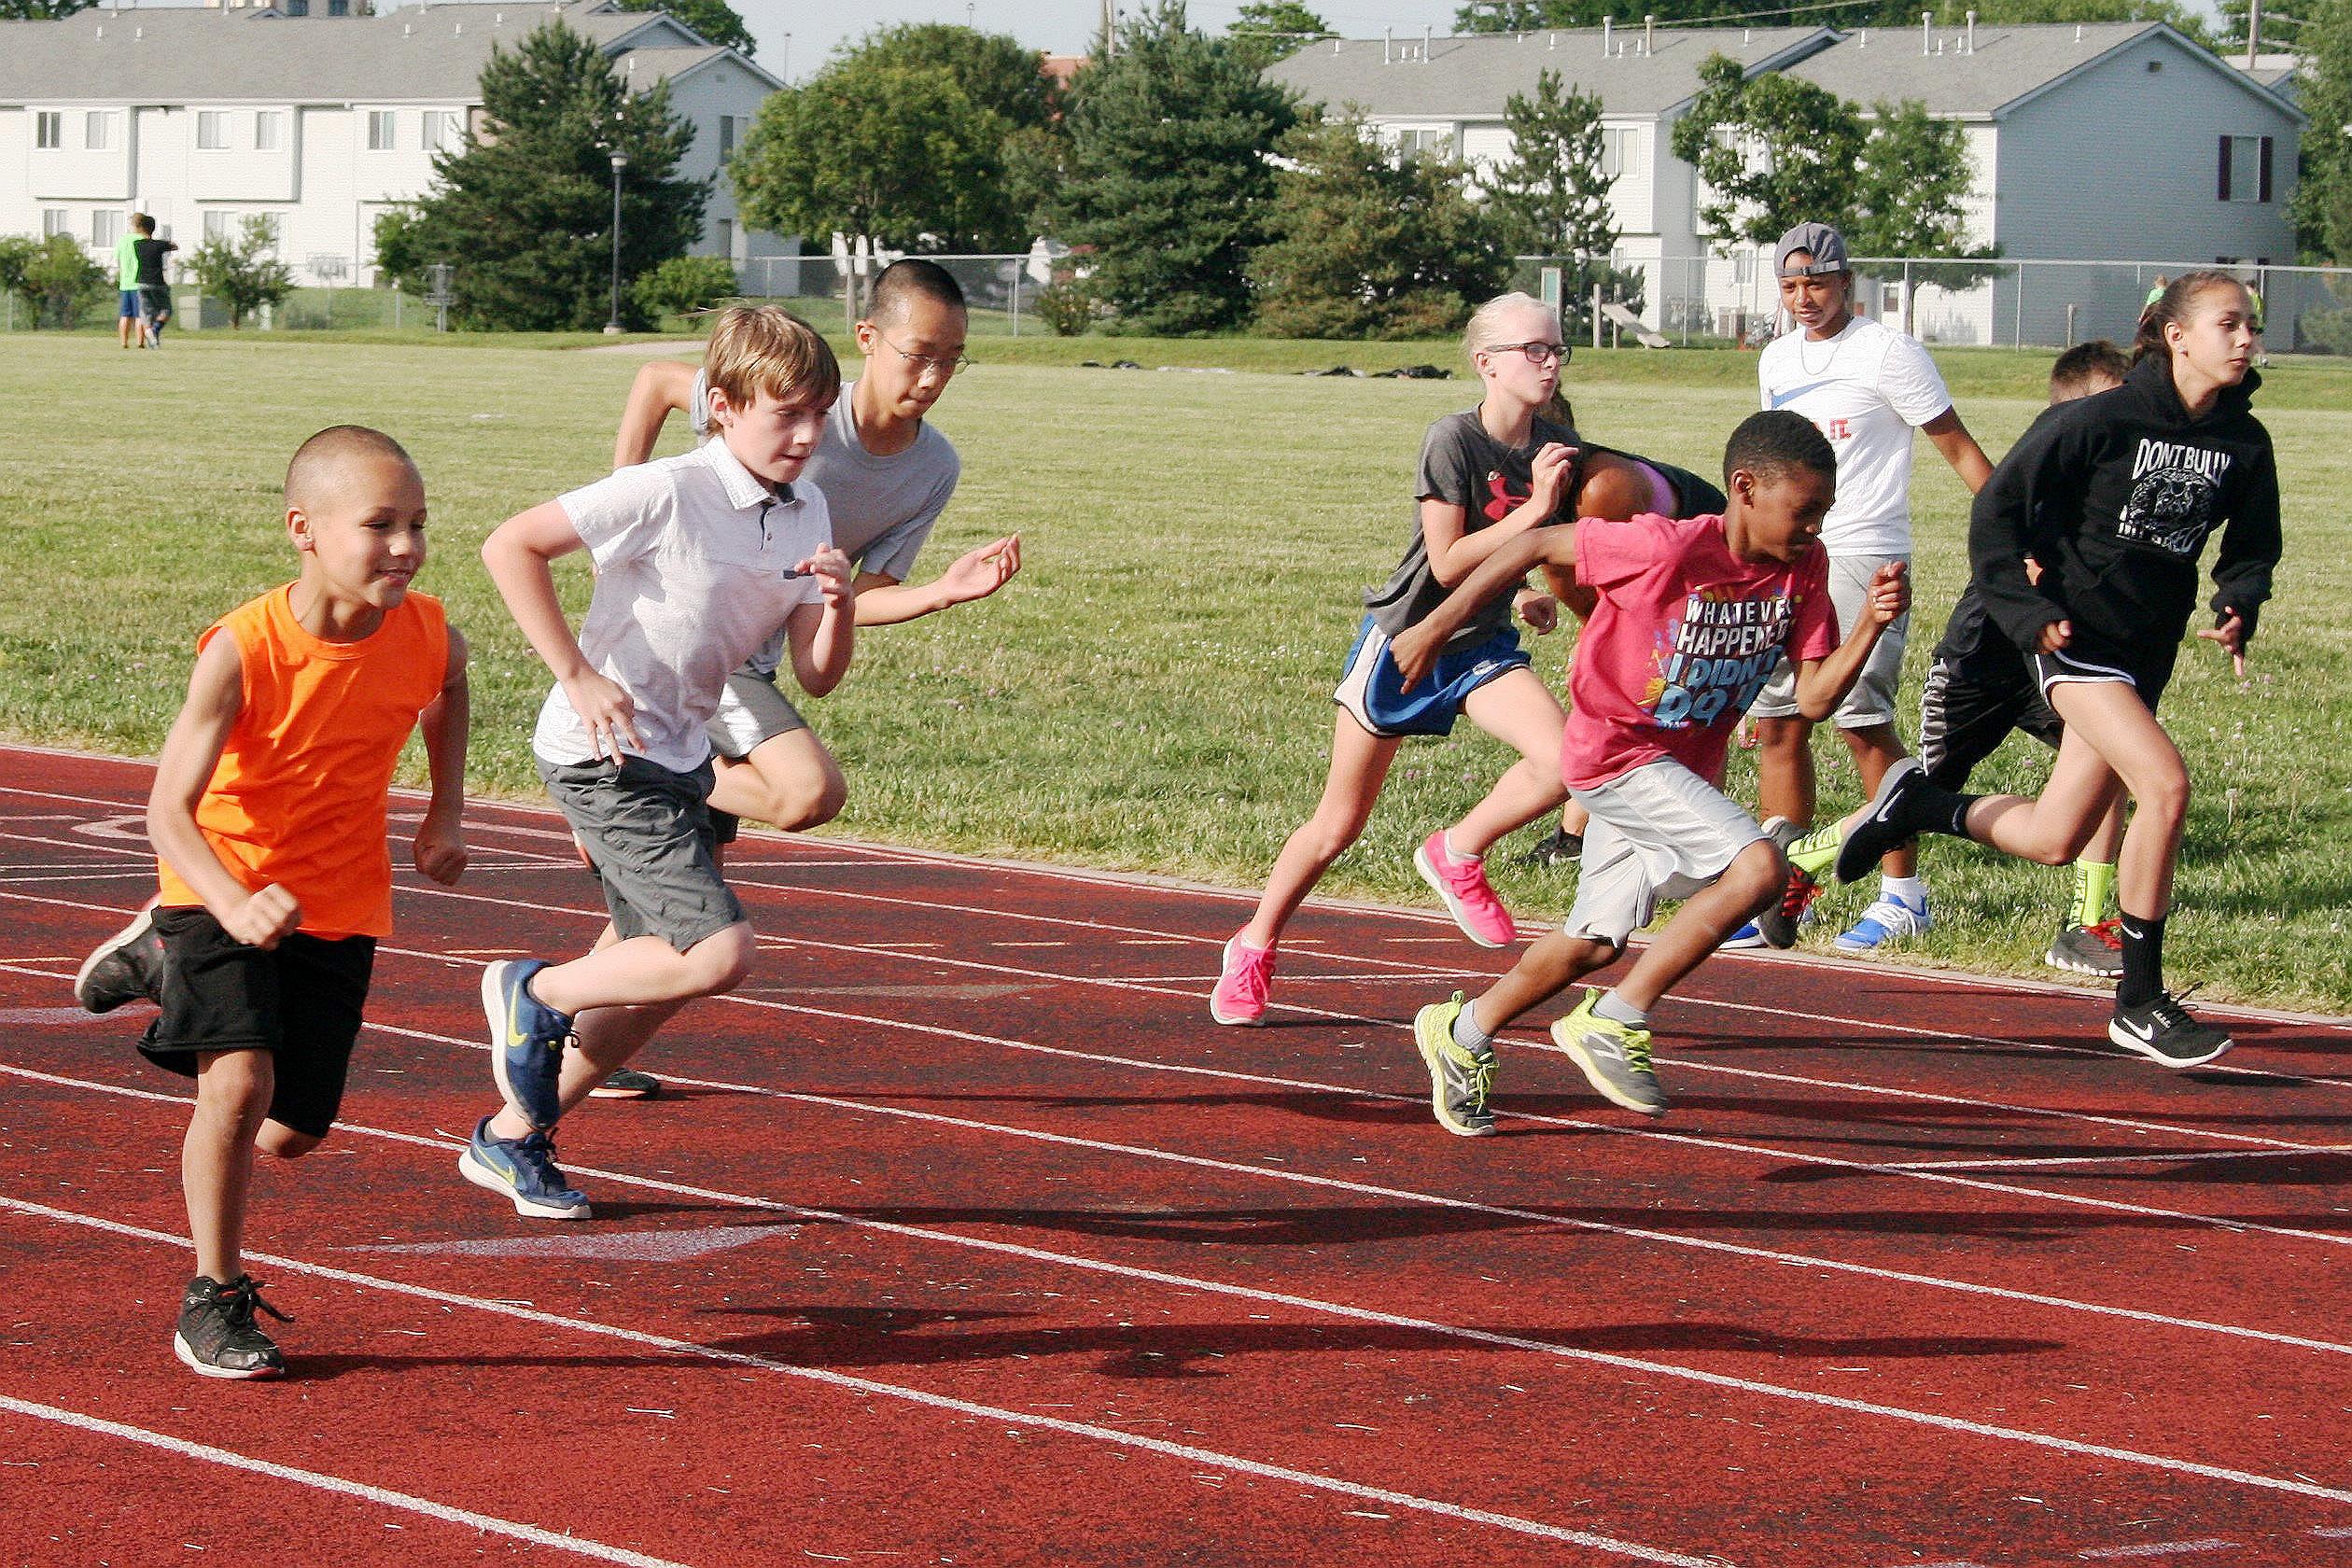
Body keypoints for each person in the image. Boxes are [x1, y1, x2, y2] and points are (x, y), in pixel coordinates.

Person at [1789, 273, 2278, 1068]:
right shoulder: (2100, 419)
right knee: (2164, 786)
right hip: (2073, 640)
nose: (2247, 338)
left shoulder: (2243, 442)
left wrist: (2238, 601)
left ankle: (1921, 803)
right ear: (2177, 335)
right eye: (2229, 323)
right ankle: (2139, 1002)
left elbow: (2253, 546)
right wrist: (2021, 608)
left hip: (2144, 651)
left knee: (2055, 837)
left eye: (2251, 324)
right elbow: (1998, 510)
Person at [1395, 411, 1907, 1129]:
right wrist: (1432, 627)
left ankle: (1463, 1031)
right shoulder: (1663, 546)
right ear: (1745, 489)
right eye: (1804, 510)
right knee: (1758, 868)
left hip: (1678, 773)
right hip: (1614, 755)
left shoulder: (1804, 568)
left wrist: (1873, 624)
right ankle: (1617, 1018)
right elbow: (1535, 543)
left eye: (1824, 511)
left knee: (1592, 944)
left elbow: (1817, 698)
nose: (1815, 526)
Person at [464, 305, 855, 1219]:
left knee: (648, 977)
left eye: (820, 414)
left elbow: (818, 676)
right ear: (722, 406)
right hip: (603, 755)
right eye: (787, 414)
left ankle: (513, 1136)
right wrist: (577, 673)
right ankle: (533, 989)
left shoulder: (809, 506)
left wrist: (837, 605)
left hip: (682, 756)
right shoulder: (667, 489)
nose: (808, 436)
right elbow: (509, 544)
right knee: (715, 950)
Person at [595, 258, 1019, 1099]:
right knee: (805, 791)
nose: (932, 378)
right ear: (868, 338)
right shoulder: (794, 402)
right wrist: (624, 503)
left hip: (753, 662)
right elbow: (655, 383)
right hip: (698, 653)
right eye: (918, 355)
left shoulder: (934, 466)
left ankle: (568, 1042)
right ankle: (649, 771)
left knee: (680, 908)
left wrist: (941, 593)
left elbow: (860, 598)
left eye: (952, 361)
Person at [120, 426, 469, 1377]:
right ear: (303, 529)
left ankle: (152, 958)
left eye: (417, 524)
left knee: (291, 1135)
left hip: (337, 900)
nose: (405, 546)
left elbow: (449, 687)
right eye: (379, 525)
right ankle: (214, 1295)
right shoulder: (243, 648)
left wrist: (443, 808)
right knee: (237, 1086)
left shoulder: (428, 632)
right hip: (218, 881)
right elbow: (166, 810)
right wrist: (230, 903)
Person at [1209, 292, 1579, 1027]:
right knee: (1337, 826)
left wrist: (1526, 589)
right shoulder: (1452, 439)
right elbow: (1446, 562)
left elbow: (1529, 550)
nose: (1549, 362)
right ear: (1487, 363)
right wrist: (1536, 513)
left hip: (1481, 646)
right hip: (1407, 643)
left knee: (1568, 761)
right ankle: (1254, 944)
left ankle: (1458, 850)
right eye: (1533, 349)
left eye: (1556, 349)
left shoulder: (1557, 442)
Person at [1733, 221, 1992, 954]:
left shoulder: (1888, 352)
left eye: (1817, 283)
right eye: (1790, 286)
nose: (1803, 298)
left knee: (1859, 719)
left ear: (1847, 283)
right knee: (1780, 723)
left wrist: (2015, 541)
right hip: (1790, 552)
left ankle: (1903, 895)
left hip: (1861, 552)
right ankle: (1779, 893)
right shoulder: (1777, 358)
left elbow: (1958, 447)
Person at [1911, 341, 2133, 977]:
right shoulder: (2043, 476)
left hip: (2051, 667)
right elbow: (1999, 540)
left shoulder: (2111, 487)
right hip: (1980, 668)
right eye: (2114, 405)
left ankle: (2086, 922)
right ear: (2070, 415)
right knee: (1919, 795)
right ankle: (1807, 861)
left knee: (2111, 759)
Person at [1520, 442, 1729, 869]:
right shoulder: (1532, 495)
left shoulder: (1602, 490)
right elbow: (1560, 571)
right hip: (1656, 571)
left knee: (1687, 707)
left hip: (1703, 571)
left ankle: (1702, 839)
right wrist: (1590, 637)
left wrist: (1606, 645)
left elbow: (1628, 581)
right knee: (1607, 693)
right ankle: (1576, 836)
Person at [130, 214, 177, 348]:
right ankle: (155, 330)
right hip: (157, 282)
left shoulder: (137, 244)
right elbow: (174, 246)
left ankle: (152, 339)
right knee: (166, 310)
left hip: (141, 282)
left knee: (146, 313)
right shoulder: (159, 245)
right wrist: (164, 243)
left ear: (140, 228)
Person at [114, 217, 144, 350]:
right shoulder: (143, 240)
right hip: (139, 282)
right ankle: (140, 342)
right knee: (139, 315)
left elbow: (117, 259)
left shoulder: (123, 240)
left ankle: (124, 342)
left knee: (125, 315)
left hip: (125, 283)